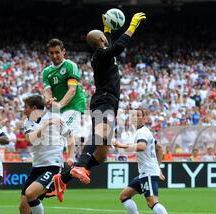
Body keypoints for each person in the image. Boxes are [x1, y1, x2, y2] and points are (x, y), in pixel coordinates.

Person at [53, 12, 147, 202]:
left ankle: (62, 179)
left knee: (102, 154)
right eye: (105, 37)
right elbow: (119, 46)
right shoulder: (102, 55)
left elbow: (111, 44)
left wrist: (107, 29)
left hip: (109, 100)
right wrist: (132, 27)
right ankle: (80, 165)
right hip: (104, 99)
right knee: (102, 130)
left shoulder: (103, 52)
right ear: (102, 41)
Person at [14, 95, 75, 214]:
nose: (24, 109)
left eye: (26, 106)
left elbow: (70, 136)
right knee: (23, 205)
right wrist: (47, 124)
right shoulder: (29, 122)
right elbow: (31, 139)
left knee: (30, 194)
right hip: (37, 166)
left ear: (34, 108)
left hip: (53, 165)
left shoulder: (55, 116)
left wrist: (70, 156)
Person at [113, 109, 179, 214]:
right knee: (124, 196)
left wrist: (122, 146)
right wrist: (158, 168)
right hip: (147, 172)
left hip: (148, 172)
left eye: (138, 115)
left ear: (144, 118)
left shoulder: (142, 132)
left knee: (151, 202)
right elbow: (159, 147)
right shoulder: (144, 132)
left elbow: (142, 146)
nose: (135, 118)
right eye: (133, 116)